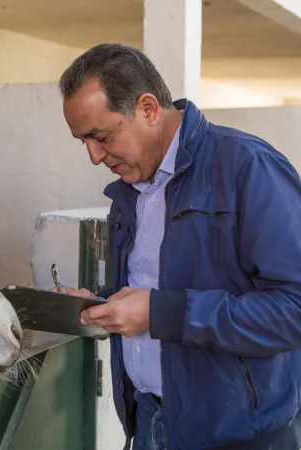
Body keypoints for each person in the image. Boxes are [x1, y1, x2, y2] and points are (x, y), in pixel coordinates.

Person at [53, 42, 301, 450]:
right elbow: (155, 286)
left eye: (101, 136)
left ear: (148, 109)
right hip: (149, 422)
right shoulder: (128, 191)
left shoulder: (248, 168)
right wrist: (100, 304)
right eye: (83, 141)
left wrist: (161, 312)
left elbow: (293, 309)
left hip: (239, 436)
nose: (94, 156)